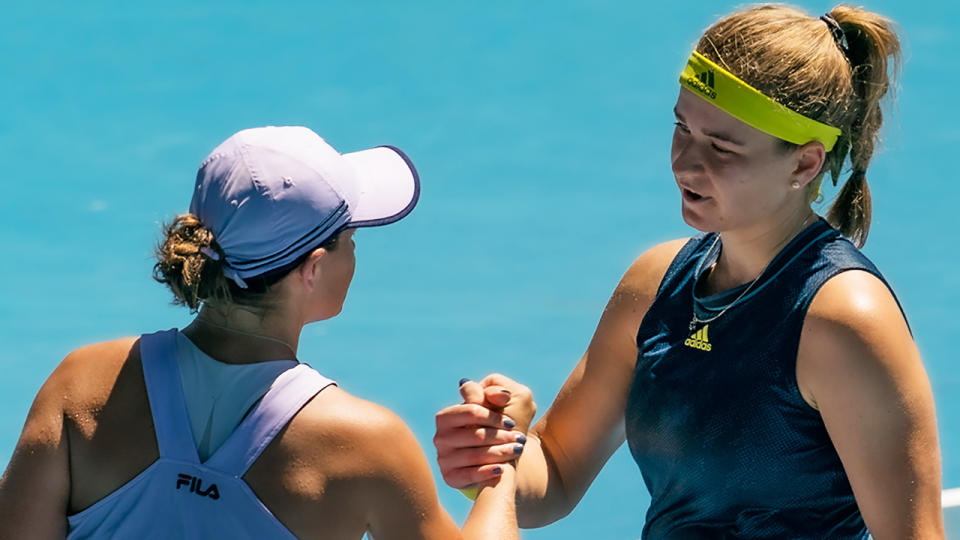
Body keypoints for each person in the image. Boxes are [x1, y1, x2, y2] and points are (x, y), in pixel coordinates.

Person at [433, 5, 944, 539]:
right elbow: (556, 472)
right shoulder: (654, 283)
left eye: (722, 146)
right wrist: (495, 454)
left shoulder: (843, 320)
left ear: (804, 164)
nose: (685, 162)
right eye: (682, 128)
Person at [0, 126, 534, 539]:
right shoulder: (367, 445)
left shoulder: (81, 383)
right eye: (349, 237)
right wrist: (501, 463)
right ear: (312, 269)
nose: (357, 251)